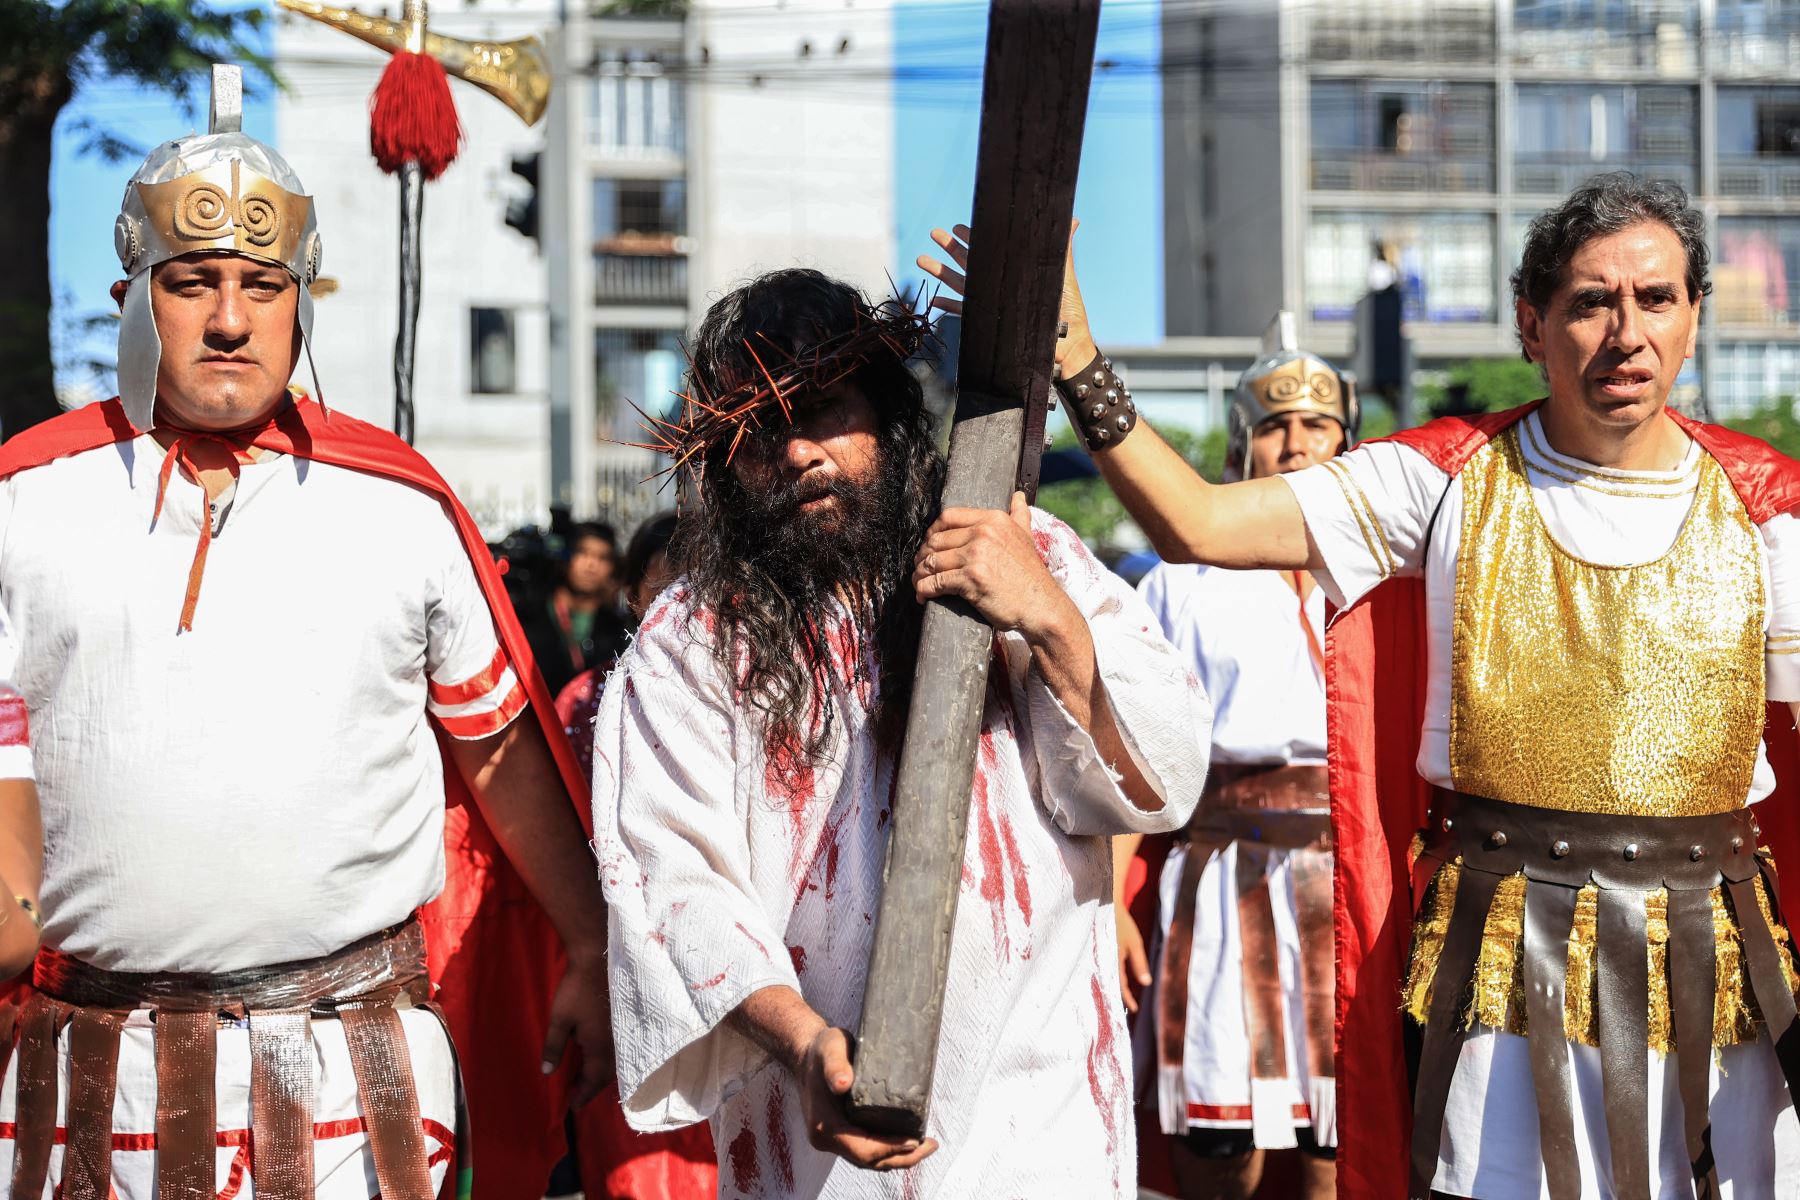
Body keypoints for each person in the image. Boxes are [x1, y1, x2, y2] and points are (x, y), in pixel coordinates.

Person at [921, 174, 1800, 1199]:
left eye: (1656, 299)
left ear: (1694, 316)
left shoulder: (1767, 509)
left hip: (1714, 964)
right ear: (1532, 322)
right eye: (1591, 302)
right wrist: (1078, 358)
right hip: (1502, 967)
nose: (1627, 334)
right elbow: (1197, 523)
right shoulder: (1443, 478)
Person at [0, 70, 610, 1199]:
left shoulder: (399, 507)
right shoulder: (24, 505)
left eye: (262, 285)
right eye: (192, 283)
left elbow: (498, 751)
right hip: (96, 1081)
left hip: (352, 1082)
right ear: (133, 295)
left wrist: (589, 941)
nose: (230, 319)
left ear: (301, 303)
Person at [591, 268, 1210, 1198]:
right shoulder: (691, 640)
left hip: (1044, 1128)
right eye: (761, 431)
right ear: (724, 466)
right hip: (823, 1152)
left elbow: (1167, 774)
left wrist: (1049, 620)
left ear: (884, 412)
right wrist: (805, 1046)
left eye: (825, 410)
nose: (800, 451)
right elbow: (676, 879)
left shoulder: (1027, 550)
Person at [1116, 314, 1351, 1200]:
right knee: (1219, 1142)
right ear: (1243, 442)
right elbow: (1131, 752)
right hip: (1220, 874)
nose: (1296, 443)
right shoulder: (1179, 581)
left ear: (1346, 441)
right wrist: (1115, 904)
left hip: (1347, 883)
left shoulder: (1387, 574)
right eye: (1274, 425)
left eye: (1317, 424)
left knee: (1340, 1134)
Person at [520, 521, 632, 697]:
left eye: (602, 558)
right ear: (566, 557)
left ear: (612, 567)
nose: (591, 565)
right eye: (582, 553)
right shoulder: (530, 615)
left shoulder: (618, 628)